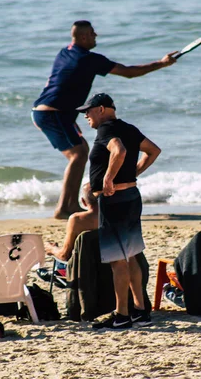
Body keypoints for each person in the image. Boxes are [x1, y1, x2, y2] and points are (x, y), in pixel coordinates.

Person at [32, 20, 177, 220]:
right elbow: (129, 72)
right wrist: (162, 63)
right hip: (54, 113)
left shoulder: (64, 52)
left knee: (81, 152)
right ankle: (64, 208)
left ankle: (68, 205)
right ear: (83, 37)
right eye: (92, 33)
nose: (96, 36)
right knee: (78, 154)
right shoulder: (89, 60)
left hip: (47, 111)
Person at [78, 93, 161, 329]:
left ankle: (122, 315)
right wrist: (133, 173)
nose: (85, 115)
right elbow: (153, 150)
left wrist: (107, 179)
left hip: (114, 201)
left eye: (88, 110)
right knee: (132, 254)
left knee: (117, 260)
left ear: (102, 109)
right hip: (132, 196)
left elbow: (119, 150)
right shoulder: (129, 128)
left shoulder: (106, 130)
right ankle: (140, 311)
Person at [45, 182, 99, 262]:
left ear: (83, 202)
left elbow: (65, 255)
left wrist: (51, 249)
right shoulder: (116, 216)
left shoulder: (76, 219)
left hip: (85, 270)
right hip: (111, 271)